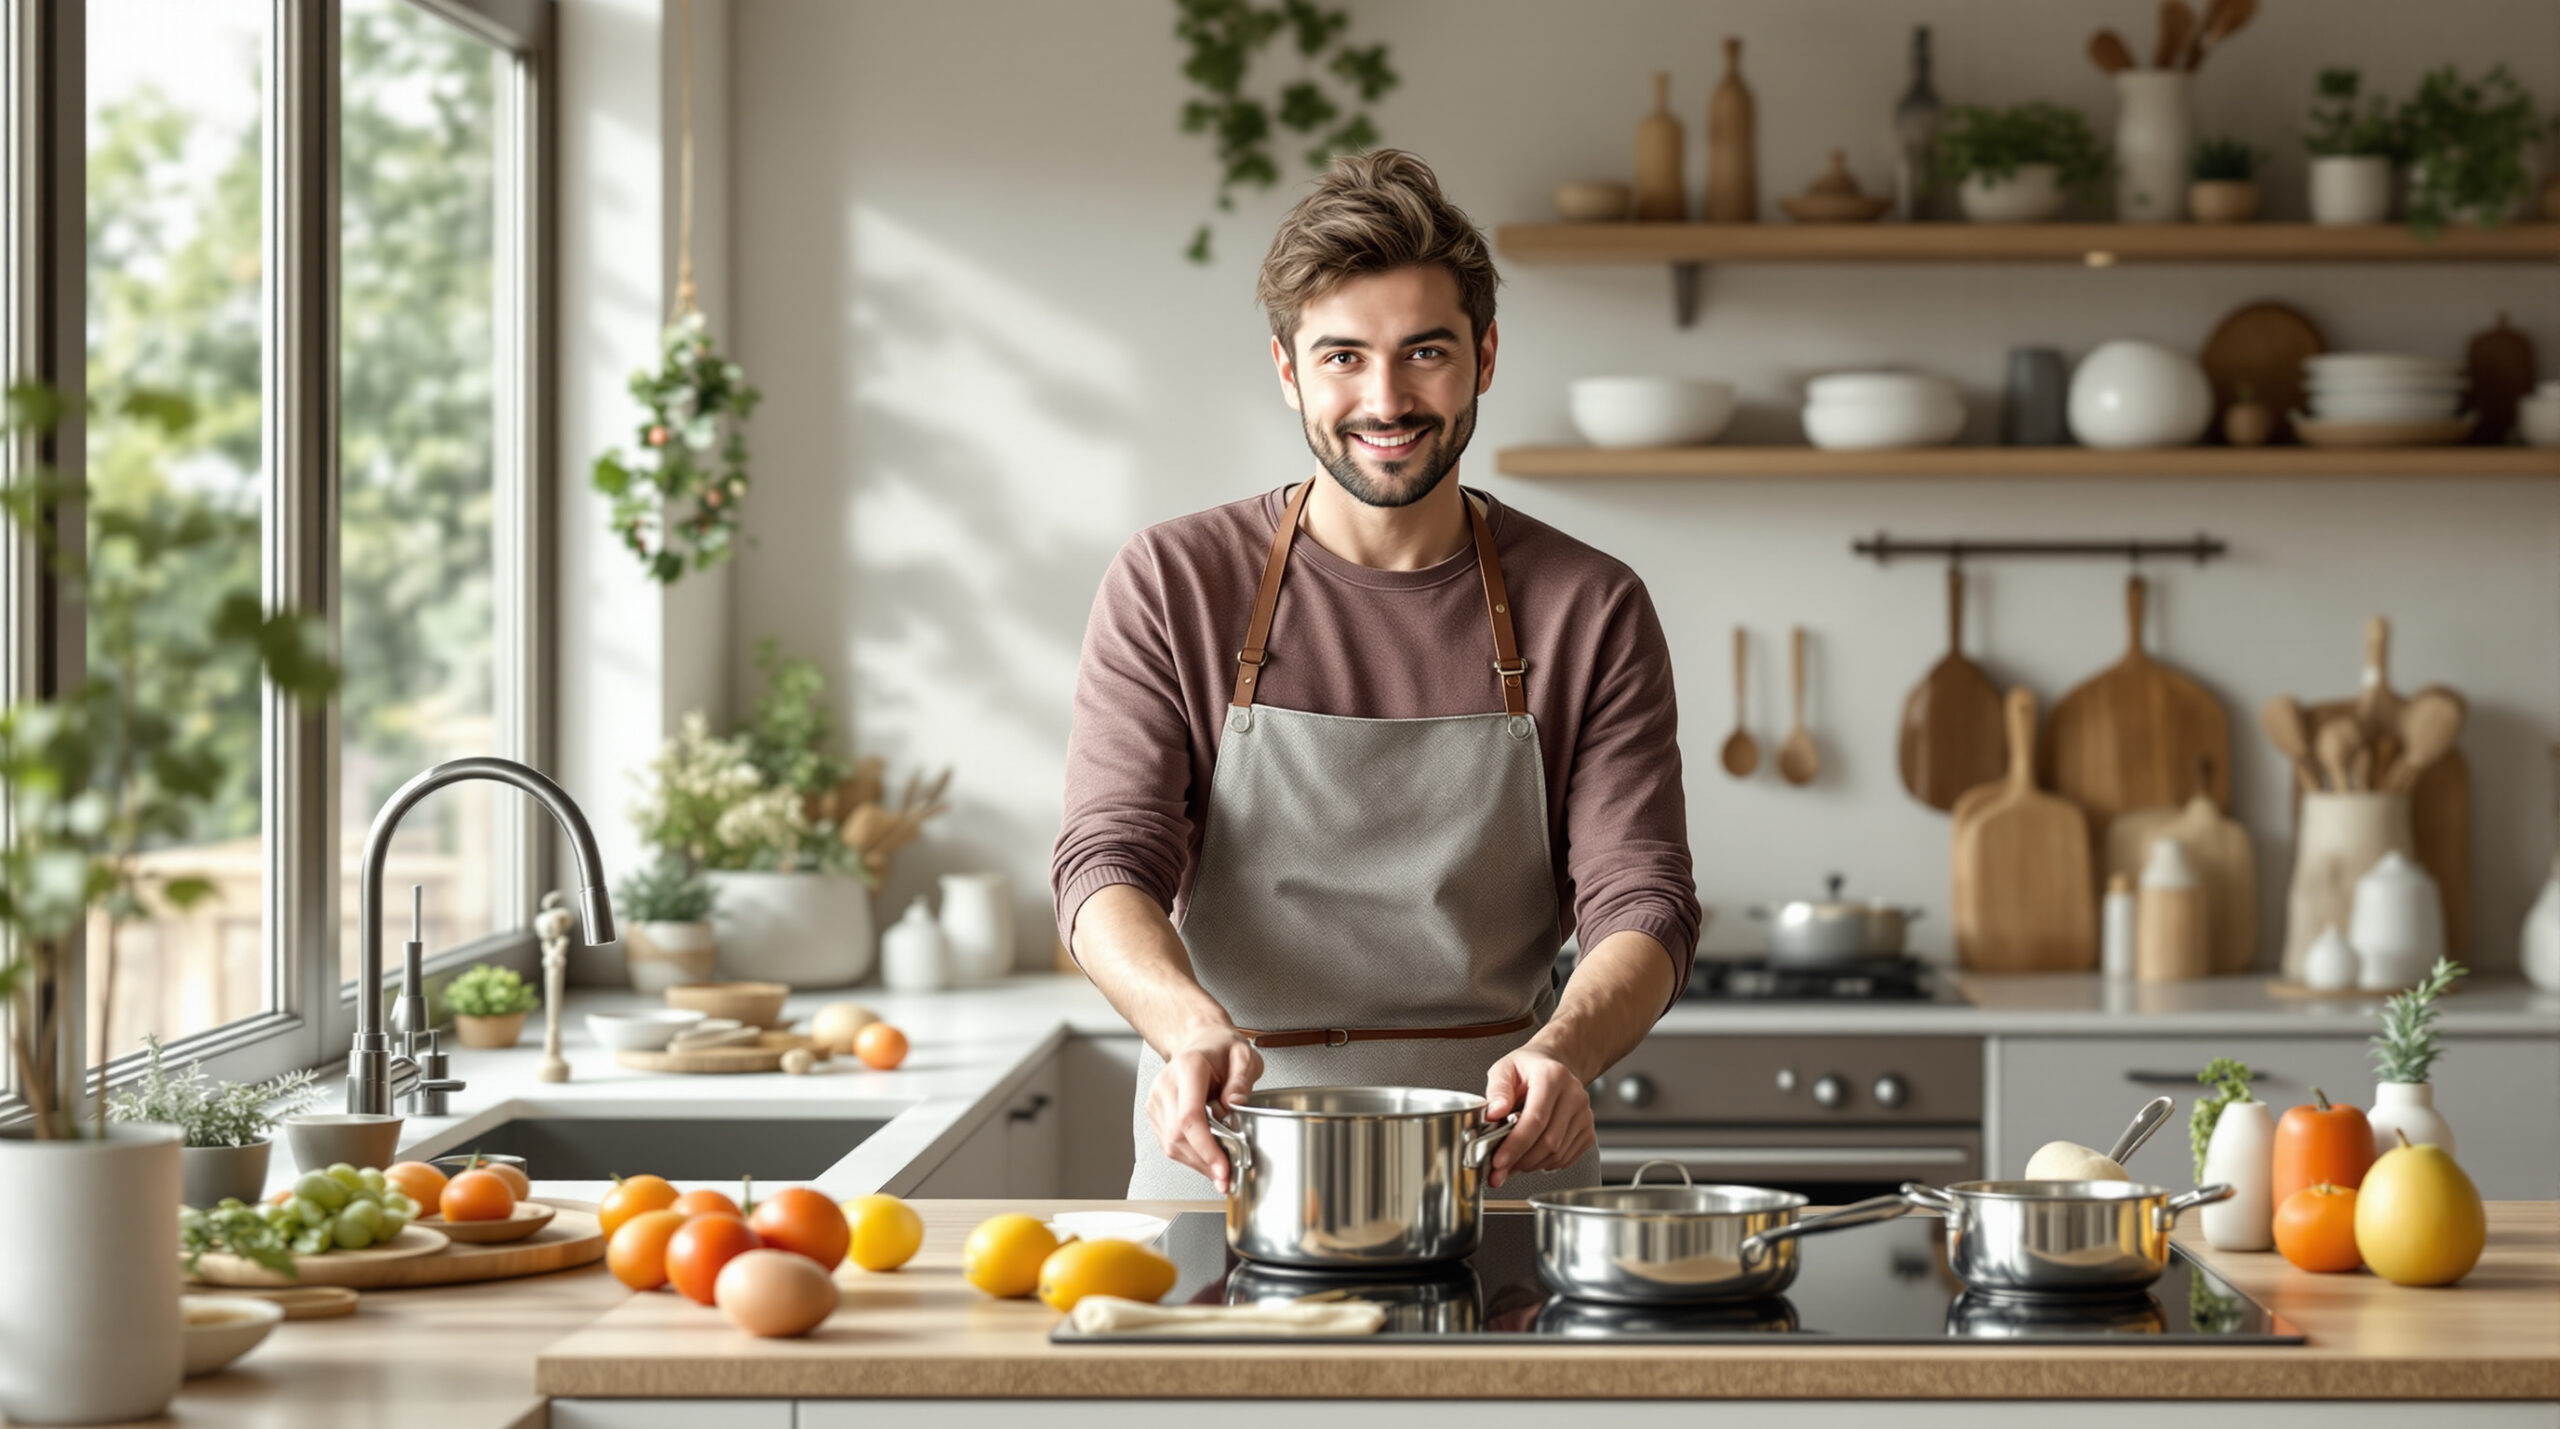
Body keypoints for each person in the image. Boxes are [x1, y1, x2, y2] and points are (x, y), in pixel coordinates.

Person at [1051, 149, 1699, 1198]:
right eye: (1343, 356)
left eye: (1425, 352)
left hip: (1501, 1158)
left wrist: (1567, 1047)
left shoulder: (1590, 604)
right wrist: (1186, 1025)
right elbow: (1104, 860)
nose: (1385, 398)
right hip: (1233, 1147)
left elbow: (1643, 896)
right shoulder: (1173, 578)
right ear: (1286, 368)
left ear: (1485, 358)